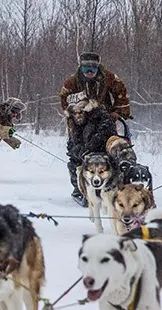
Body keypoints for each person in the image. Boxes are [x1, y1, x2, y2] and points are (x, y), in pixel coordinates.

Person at [59, 52, 131, 205]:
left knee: (114, 152)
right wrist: (75, 114)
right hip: (80, 121)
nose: (89, 72)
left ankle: (117, 185)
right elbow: (65, 100)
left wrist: (118, 112)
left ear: (98, 67)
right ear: (81, 67)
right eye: (86, 68)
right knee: (75, 154)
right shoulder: (71, 82)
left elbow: (121, 93)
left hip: (105, 117)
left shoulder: (109, 78)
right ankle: (79, 188)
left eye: (93, 68)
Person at [64, 99, 119, 206]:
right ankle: (79, 189)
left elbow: (105, 134)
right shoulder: (73, 126)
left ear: (86, 112)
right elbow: (71, 146)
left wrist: (90, 148)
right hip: (84, 155)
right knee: (73, 163)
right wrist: (80, 152)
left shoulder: (101, 118)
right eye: (75, 114)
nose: (78, 116)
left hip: (104, 152)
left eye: (80, 113)